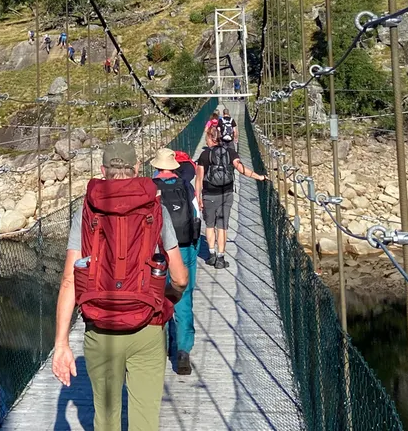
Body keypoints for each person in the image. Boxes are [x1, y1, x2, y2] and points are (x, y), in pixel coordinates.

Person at [52, 142, 189, 431]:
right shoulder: (157, 208)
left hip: (100, 328)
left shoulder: (86, 212)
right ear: (138, 169)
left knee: (105, 420)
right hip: (148, 327)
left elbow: (69, 280)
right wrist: (169, 299)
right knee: (145, 422)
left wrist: (61, 343)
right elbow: (179, 277)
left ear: (102, 171)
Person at [151, 147, 200, 375]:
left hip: (157, 250)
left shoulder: (149, 187)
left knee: (157, 296)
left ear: (156, 166)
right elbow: (196, 216)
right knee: (184, 295)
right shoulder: (185, 185)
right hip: (184, 247)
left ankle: (160, 348)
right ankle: (182, 351)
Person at [197, 111, 266, 269]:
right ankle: (221, 258)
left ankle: (212, 255)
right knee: (222, 226)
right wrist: (259, 177)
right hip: (226, 194)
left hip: (209, 194)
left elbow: (199, 179)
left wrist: (198, 197)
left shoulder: (204, 155)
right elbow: (241, 169)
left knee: (209, 225)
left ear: (210, 138)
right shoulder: (230, 151)